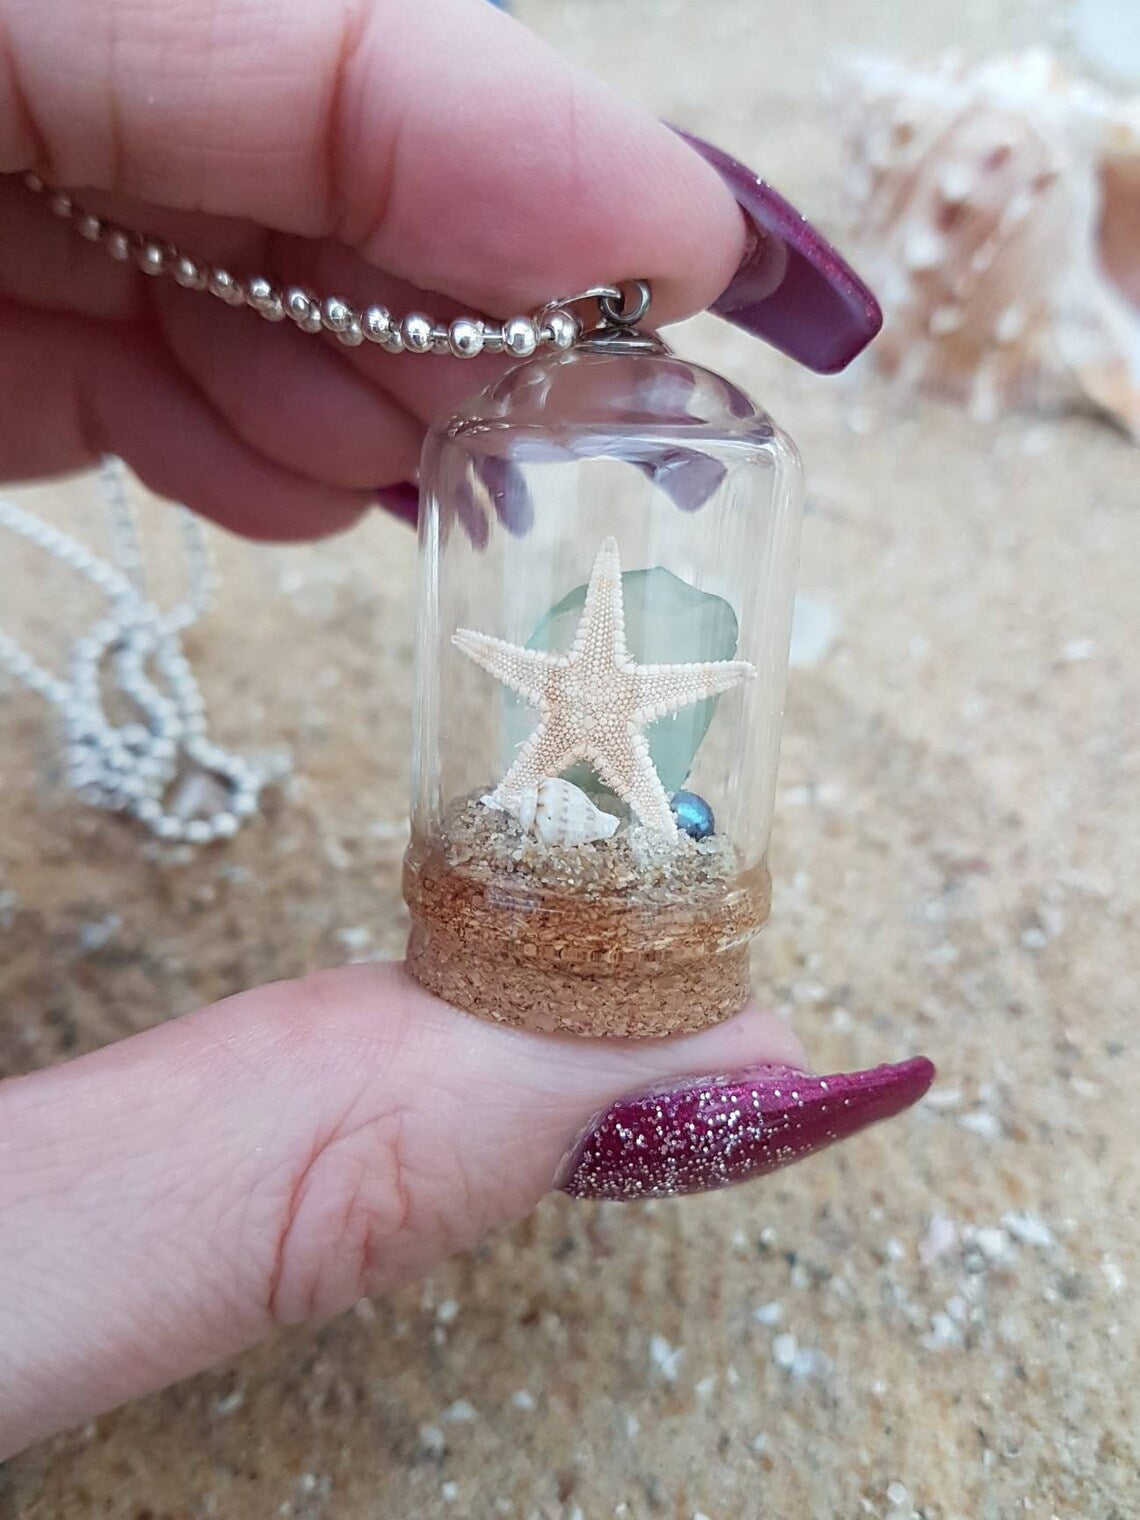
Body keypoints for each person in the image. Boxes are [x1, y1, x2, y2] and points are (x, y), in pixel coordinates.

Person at [0, 0, 931, 1460]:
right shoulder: (508, 474)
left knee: (626, 750)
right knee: (561, 724)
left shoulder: (674, 496)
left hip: (631, 848)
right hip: (511, 854)